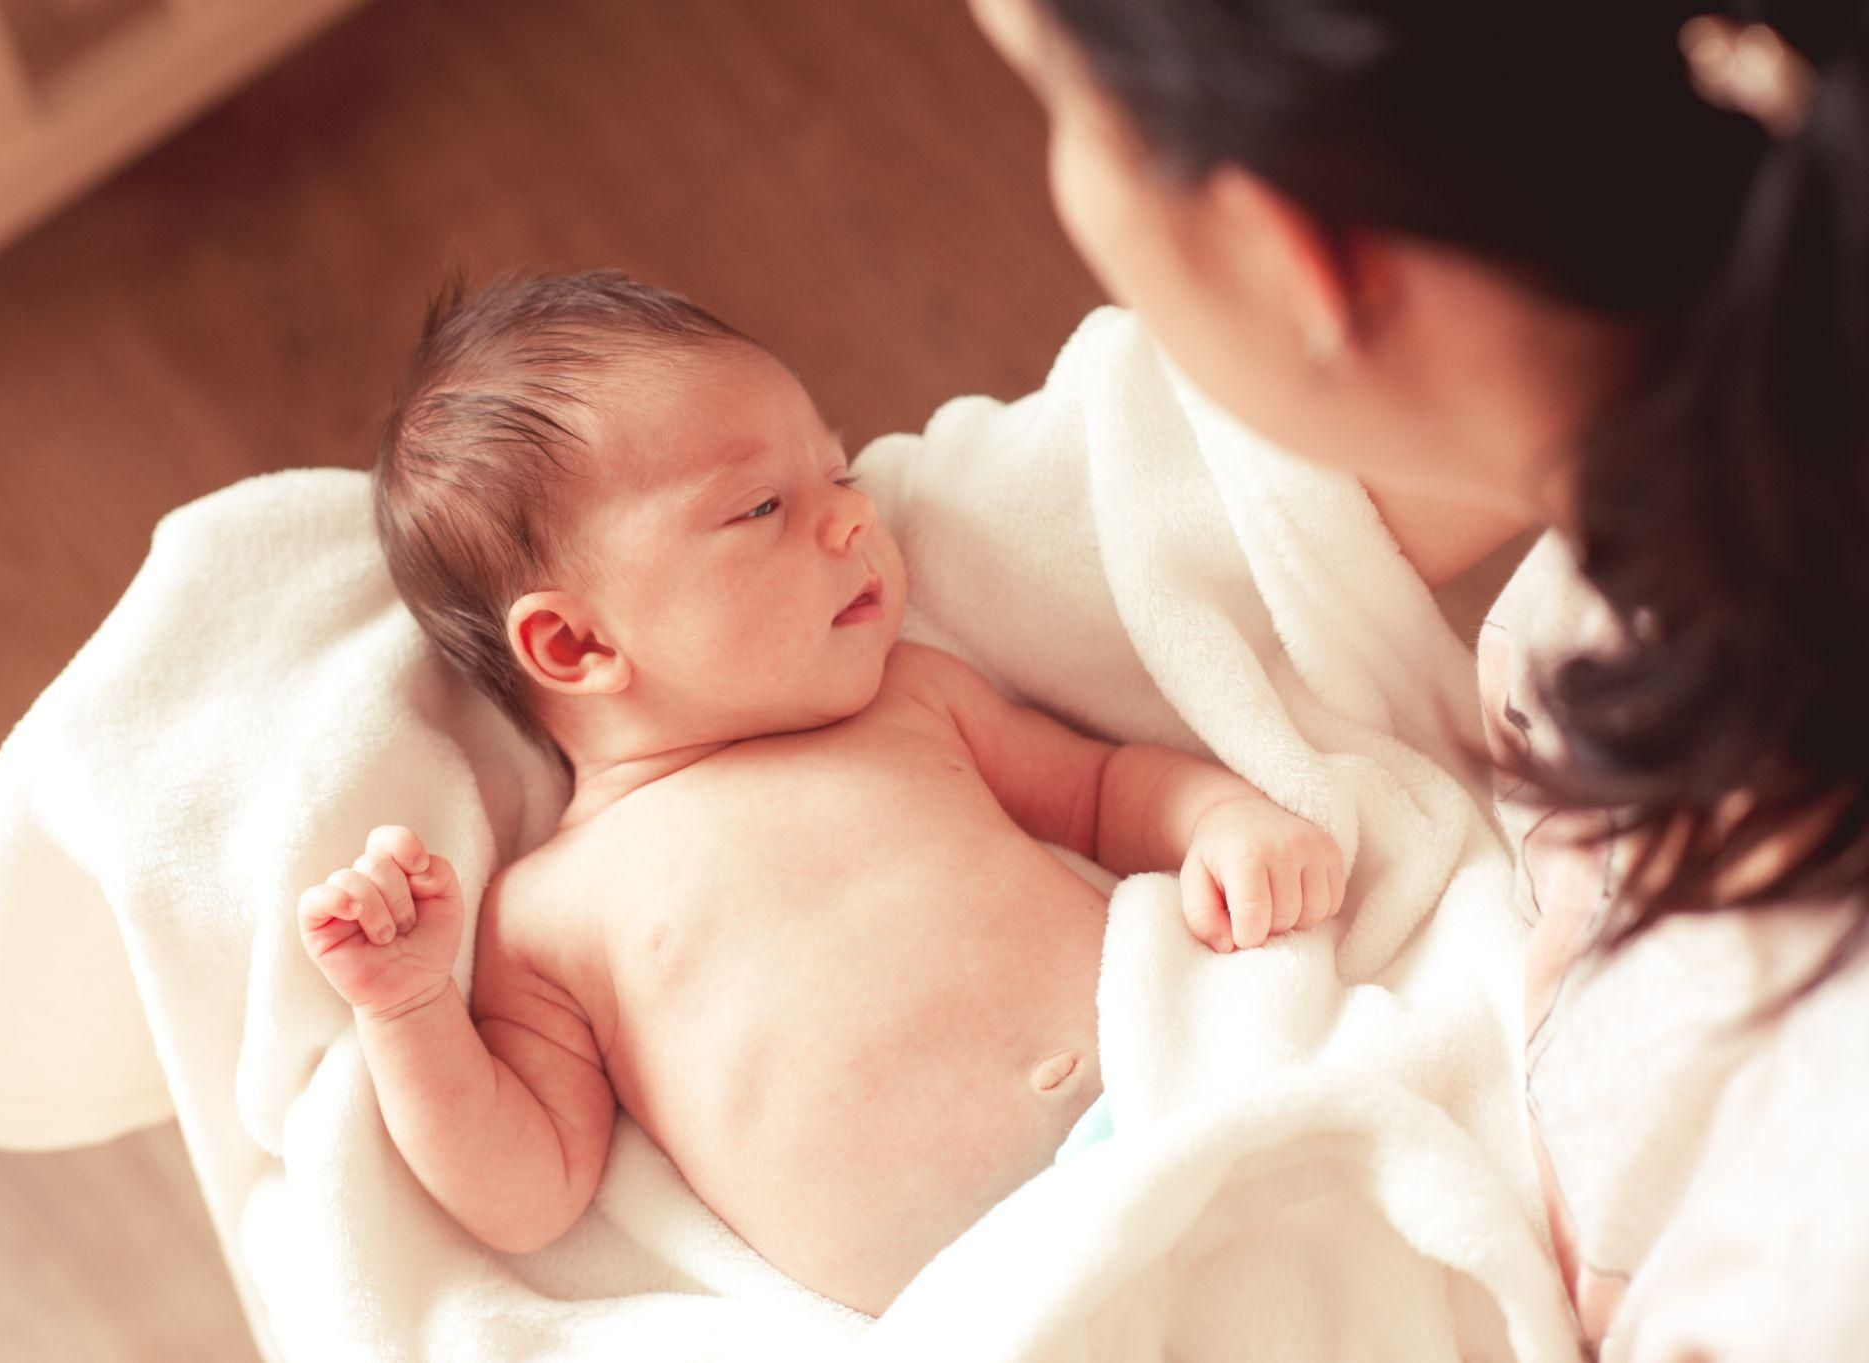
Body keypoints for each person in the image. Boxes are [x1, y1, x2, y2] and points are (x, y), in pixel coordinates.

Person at [966, 0, 1869, 1354]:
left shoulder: (1805, 1212)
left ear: (1304, 254)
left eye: (1055, 106)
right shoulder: (1752, 308)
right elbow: (1135, 524)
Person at [293, 270, 1348, 1316]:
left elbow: (1101, 787)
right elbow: (529, 1193)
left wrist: (1217, 819)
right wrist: (411, 1007)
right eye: (762, 505)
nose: (849, 521)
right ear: (574, 641)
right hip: (986, 1305)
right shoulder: (548, 914)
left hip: (1187, 1098)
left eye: (840, 478)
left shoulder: (909, 706)